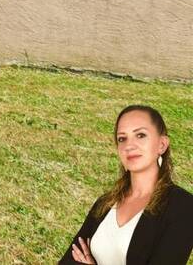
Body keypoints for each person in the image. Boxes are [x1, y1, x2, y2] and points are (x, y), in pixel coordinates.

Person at [61, 105, 193, 264]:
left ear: (162, 145)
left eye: (140, 135)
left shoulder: (183, 206)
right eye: (122, 138)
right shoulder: (105, 203)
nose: (129, 146)